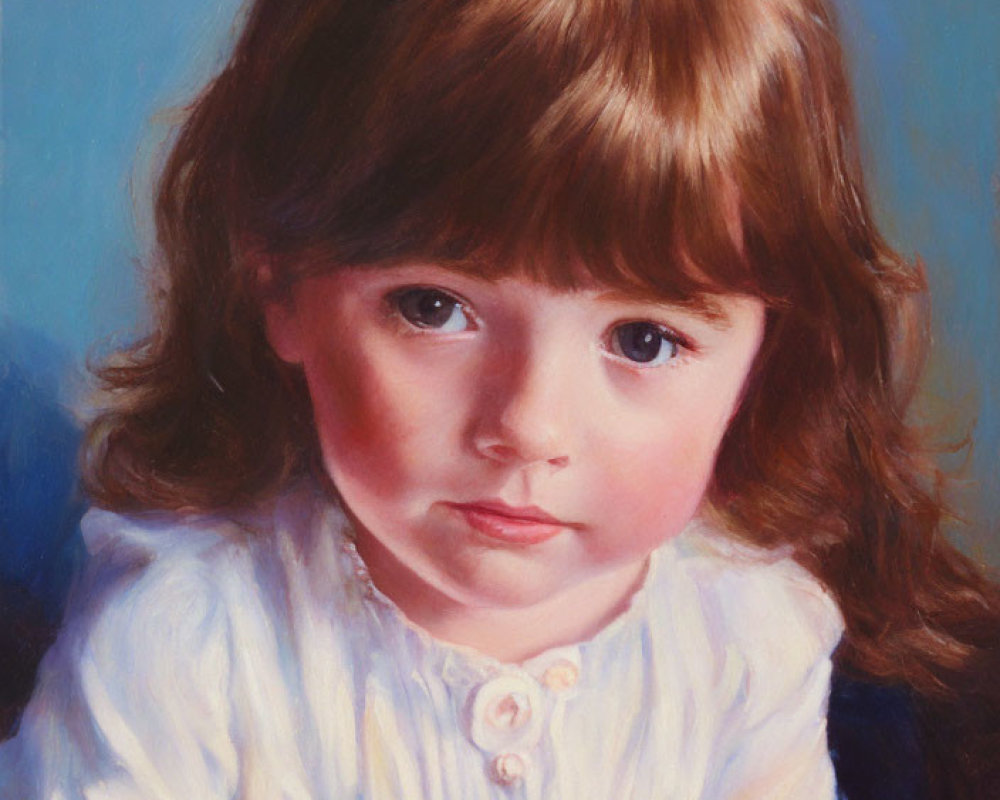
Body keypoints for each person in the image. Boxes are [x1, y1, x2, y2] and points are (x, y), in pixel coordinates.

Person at [2, 0, 997, 796]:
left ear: (765, 352)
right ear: (280, 287)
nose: (527, 423)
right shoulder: (187, 645)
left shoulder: (747, 634)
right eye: (433, 307)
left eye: (643, 337)